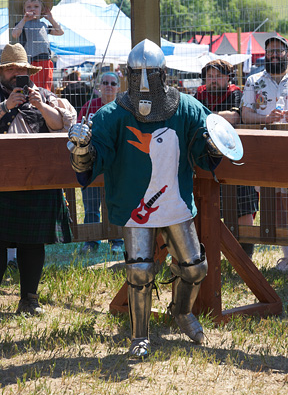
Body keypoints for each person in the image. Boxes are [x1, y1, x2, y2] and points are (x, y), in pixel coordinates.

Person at [67, 39, 228, 358]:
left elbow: (203, 149)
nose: (143, 82)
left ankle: (182, 312)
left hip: (175, 203)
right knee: (139, 271)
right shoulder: (111, 115)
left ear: (163, 74)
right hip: (135, 204)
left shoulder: (186, 107)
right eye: (137, 73)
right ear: (127, 73)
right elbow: (89, 164)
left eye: (150, 73)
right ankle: (140, 336)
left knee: (195, 268)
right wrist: (82, 148)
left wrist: (212, 144)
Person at [0, 43, 76, 315]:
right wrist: (5, 106)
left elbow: (62, 125)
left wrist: (41, 106)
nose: (15, 73)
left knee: (33, 243)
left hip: (38, 178)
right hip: (2, 179)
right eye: (10, 68)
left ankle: (29, 299)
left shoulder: (42, 95)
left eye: (20, 68)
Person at [241, 35, 288, 272]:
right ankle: (286, 256)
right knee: (272, 202)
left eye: (279, 51)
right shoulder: (253, 80)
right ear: (265, 55)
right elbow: (246, 114)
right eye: (270, 51)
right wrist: (265, 119)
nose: (274, 55)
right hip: (265, 148)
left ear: (287, 53)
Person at [195, 59, 259, 259]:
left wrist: (207, 116)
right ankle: (204, 254)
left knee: (243, 203)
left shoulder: (234, 92)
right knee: (205, 203)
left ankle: (245, 256)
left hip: (233, 156)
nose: (213, 80)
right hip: (206, 156)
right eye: (210, 76)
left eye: (218, 76)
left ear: (227, 77)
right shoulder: (199, 93)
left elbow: (234, 116)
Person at [77, 71, 124, 254]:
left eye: (113, 83)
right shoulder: (89, 106)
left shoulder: (122, 108)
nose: (109, 86)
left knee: (115, 202)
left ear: (119, 88)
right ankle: (91, 241)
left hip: (116, 164)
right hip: (92, 161)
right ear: (99, 87)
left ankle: (117, 240)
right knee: (91, 204)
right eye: (105, 82)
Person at [12, 0, 64, 91]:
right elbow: (14, 34)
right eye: (29, 7)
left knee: (46, 88)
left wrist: (50, 18)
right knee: (33, 88)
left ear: (42, 10)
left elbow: (60, 32)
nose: (32, 9)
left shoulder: (44, 24)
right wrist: (24, 19)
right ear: (24, 10)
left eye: (36, 7)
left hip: (46, 60)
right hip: (32, 61)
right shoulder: (23, 24)